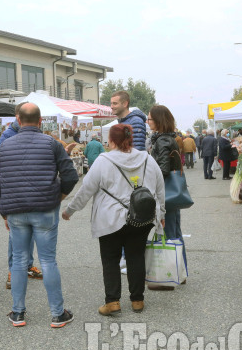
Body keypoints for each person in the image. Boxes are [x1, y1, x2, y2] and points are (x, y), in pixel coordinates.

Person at [62, 124, 165, 315]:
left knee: (110, 259)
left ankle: (112, 302)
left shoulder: (103, 161)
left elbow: (86, 190)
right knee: (136, 257)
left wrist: (70, 210)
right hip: (141, 218)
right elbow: (160, 188)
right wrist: (161, 214)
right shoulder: (147, 159)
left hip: (110, 218)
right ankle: (137, 300)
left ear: (111, 140)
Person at [0, 102, 79, 328]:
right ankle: (58, 314)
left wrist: (4, 212)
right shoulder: (52, 144)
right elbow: (70, 176)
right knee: (48, 260)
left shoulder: (4, 146)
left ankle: (18, 313)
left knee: (19, 261)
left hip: (16, 211)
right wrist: (57, 197)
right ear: (41, 121)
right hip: (45, 210)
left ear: (18, 120)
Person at [2, 102, 44, 290]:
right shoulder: (7, 137)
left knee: (31, 234)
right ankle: (13, 271)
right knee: (15, 238)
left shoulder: (35, 135)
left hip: (32, 196)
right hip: (16, 196)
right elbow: (2, 170)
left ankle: (27, 265)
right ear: (18, 117)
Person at [148, 105, 186, 289]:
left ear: (158, 120)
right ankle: (181, 271)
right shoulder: (169, 138)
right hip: (173, 193)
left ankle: (169, 276)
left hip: (165, 194)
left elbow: (162, 169)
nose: (148, 122)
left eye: (150, 119)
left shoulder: (162, 141)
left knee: (168, 233)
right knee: (176, 233)